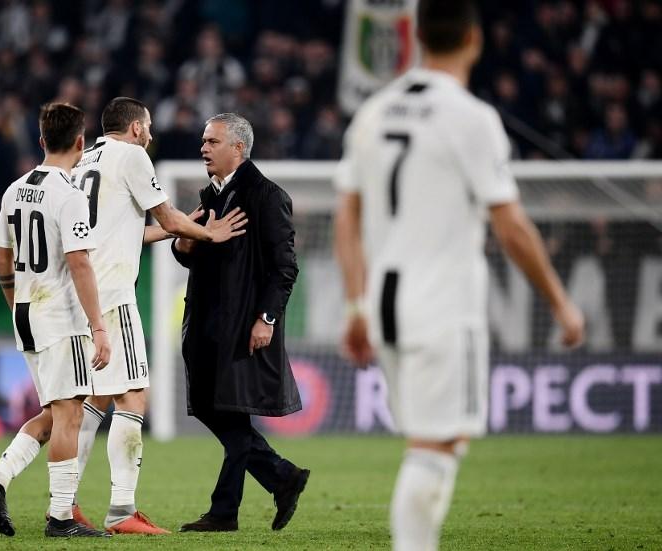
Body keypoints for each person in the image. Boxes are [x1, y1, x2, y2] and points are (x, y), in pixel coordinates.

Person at [333, 2, 585, 551]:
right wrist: (560, 302)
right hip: (443, 304)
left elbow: (346, 217)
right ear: (475, 38)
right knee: (436, 448)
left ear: (417, 36)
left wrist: (355, 305)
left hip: (385, 304)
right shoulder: (471, 118)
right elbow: (512, 226)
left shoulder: (373, 113)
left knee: (428, 445)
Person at [0, 97, 247, 537]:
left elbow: (120, 232)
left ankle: (40, 494)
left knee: (79, 404)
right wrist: (207, 231)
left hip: (58, 297)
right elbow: (167, 218)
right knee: (133, 396)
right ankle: (120, 511)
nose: (152, 135)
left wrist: (180, 226)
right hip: (106, 297)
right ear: (136, 128)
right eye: (149, 127)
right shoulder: (132, 155)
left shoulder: (79, 164)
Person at [0, 102, 112, 538]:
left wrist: (15, 301)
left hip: (28, 313)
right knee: (70, 414)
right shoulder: (69, 196)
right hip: (60, 316)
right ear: (80, 143)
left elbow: (1, 257)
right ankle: (61, 518)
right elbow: (80, 264)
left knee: (55, 413)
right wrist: (99, 326)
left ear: (40, 141)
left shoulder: (14, 190)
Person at [173, 113, 310, 533]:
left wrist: (265, 318)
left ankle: (225, 511)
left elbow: (284, 268)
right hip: (203, 323)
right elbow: (189, 253)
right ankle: (281, 476)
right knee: (218, 414)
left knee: (230, 416)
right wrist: (185, 240)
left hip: (240, 326)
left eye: (212, 141)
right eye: (203, 141)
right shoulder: (209, 195)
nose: (203, 148)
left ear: (239, 147)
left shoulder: (266, 196)